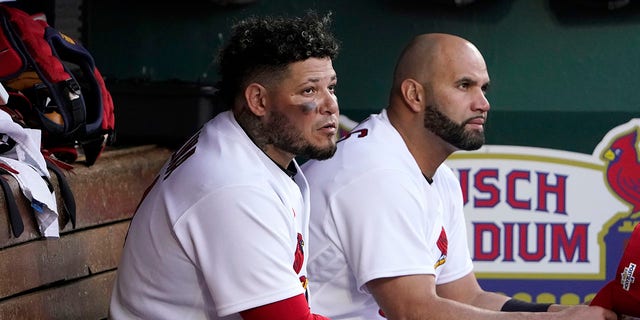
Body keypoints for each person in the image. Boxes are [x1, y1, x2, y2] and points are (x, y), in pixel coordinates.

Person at [302, 33, 617, 320]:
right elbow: (414, 311)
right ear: (414, 94)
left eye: (483, 88)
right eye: (464, 85)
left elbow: (466, 296)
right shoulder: (376, 172)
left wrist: (561, 311)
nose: (483, 103)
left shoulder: (436, 175)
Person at [109, 11, 340, 320]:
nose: (331, 105)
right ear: (258, 101)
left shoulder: (238, 145)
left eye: (332, 87)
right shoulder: (235, 186)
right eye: (309, 90)